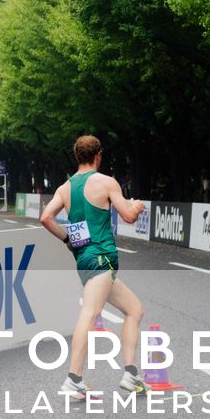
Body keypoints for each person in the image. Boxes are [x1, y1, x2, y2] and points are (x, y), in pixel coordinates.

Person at [39, 133, 149, 398]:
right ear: (98, 156)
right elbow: (128, 216)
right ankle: (73, 379)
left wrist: (68, 239)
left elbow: (45, 217)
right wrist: (137, 206)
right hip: (102, 257)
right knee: (89, 313)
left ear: (77, 157)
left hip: (85, 259)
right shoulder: (106, 182)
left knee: (134, 309)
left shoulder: (65, 188)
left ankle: (131, 374)